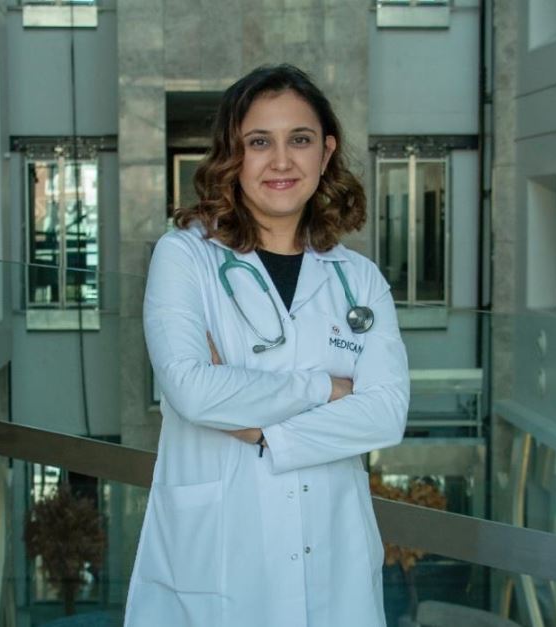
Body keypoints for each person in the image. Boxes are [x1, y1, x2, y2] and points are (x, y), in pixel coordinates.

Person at [124, 64, 410, 627]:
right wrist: (326, 389)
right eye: (259, 142)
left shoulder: (359, 279)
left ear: (326, 153)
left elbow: (385, 415)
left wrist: (263, 433)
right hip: (219, 562)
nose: (281, 161)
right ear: (232, 155)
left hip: (335, 560)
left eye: (299, 140)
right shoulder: (185, 257)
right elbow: (192, 390)